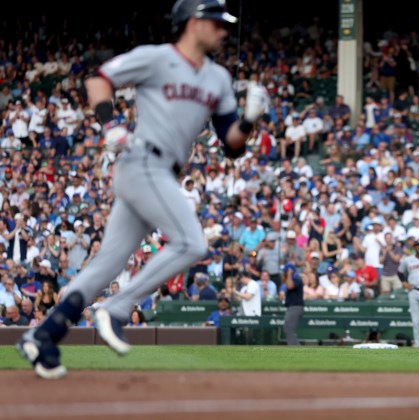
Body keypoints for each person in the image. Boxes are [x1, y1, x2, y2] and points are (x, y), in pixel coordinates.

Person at [17, 0, 269, 379]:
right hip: (142, 161)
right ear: (194, 22)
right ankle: (118, 309)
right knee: (191, 243)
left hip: (164, 173)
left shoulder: (217, 78)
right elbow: (98, 79)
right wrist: (110, 123)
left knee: (107, 263)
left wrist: (248, 120)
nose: (223, 31)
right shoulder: (156, 58)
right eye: (216, 23)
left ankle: (42, 335)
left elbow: (232, 146)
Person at [282, 264, 304, 346]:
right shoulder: (293, 278)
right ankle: (294, 346)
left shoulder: (297, 278)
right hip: (292, 307)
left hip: (295, 307)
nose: (284, 274)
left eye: (285, 272)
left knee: (289, 329)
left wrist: (289, 274)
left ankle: (295, 347)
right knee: (287, 328)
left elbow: (290, 286)